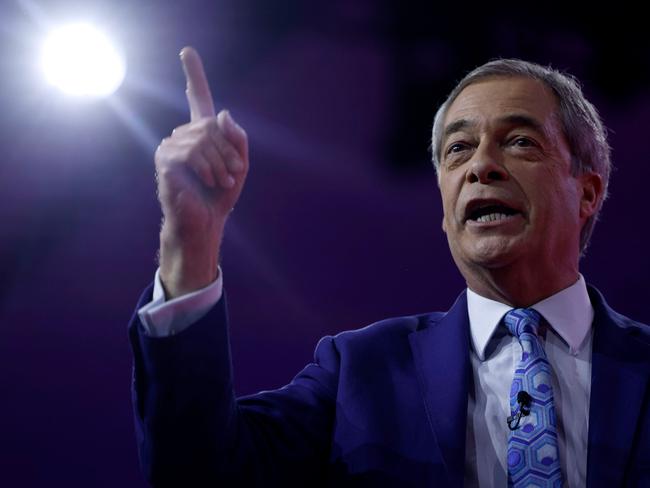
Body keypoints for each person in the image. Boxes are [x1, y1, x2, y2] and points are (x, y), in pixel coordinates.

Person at [128, 47, 650, 487]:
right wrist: (189, 241)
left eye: (519, 142)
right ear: (445, 211)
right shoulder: (358, 372)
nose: (481, 166)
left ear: (587, 192)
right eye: (458, 149)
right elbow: (197, 473)